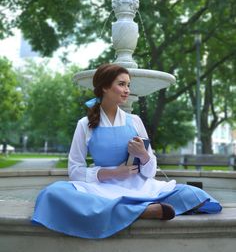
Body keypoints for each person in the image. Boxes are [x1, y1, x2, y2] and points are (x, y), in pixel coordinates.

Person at [31, 63, 222, 239]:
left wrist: (143, 155)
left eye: (128, 85)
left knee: (194, 194)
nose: (127, 90)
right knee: (52, 193)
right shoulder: (85, 125)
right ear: (105, 87)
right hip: (101, 187)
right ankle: (144, 210)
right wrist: (113, 173)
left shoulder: (135, 121)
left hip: (137, 186)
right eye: (121, 84)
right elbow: (75, 170)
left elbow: (150, 171)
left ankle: (130, 209)